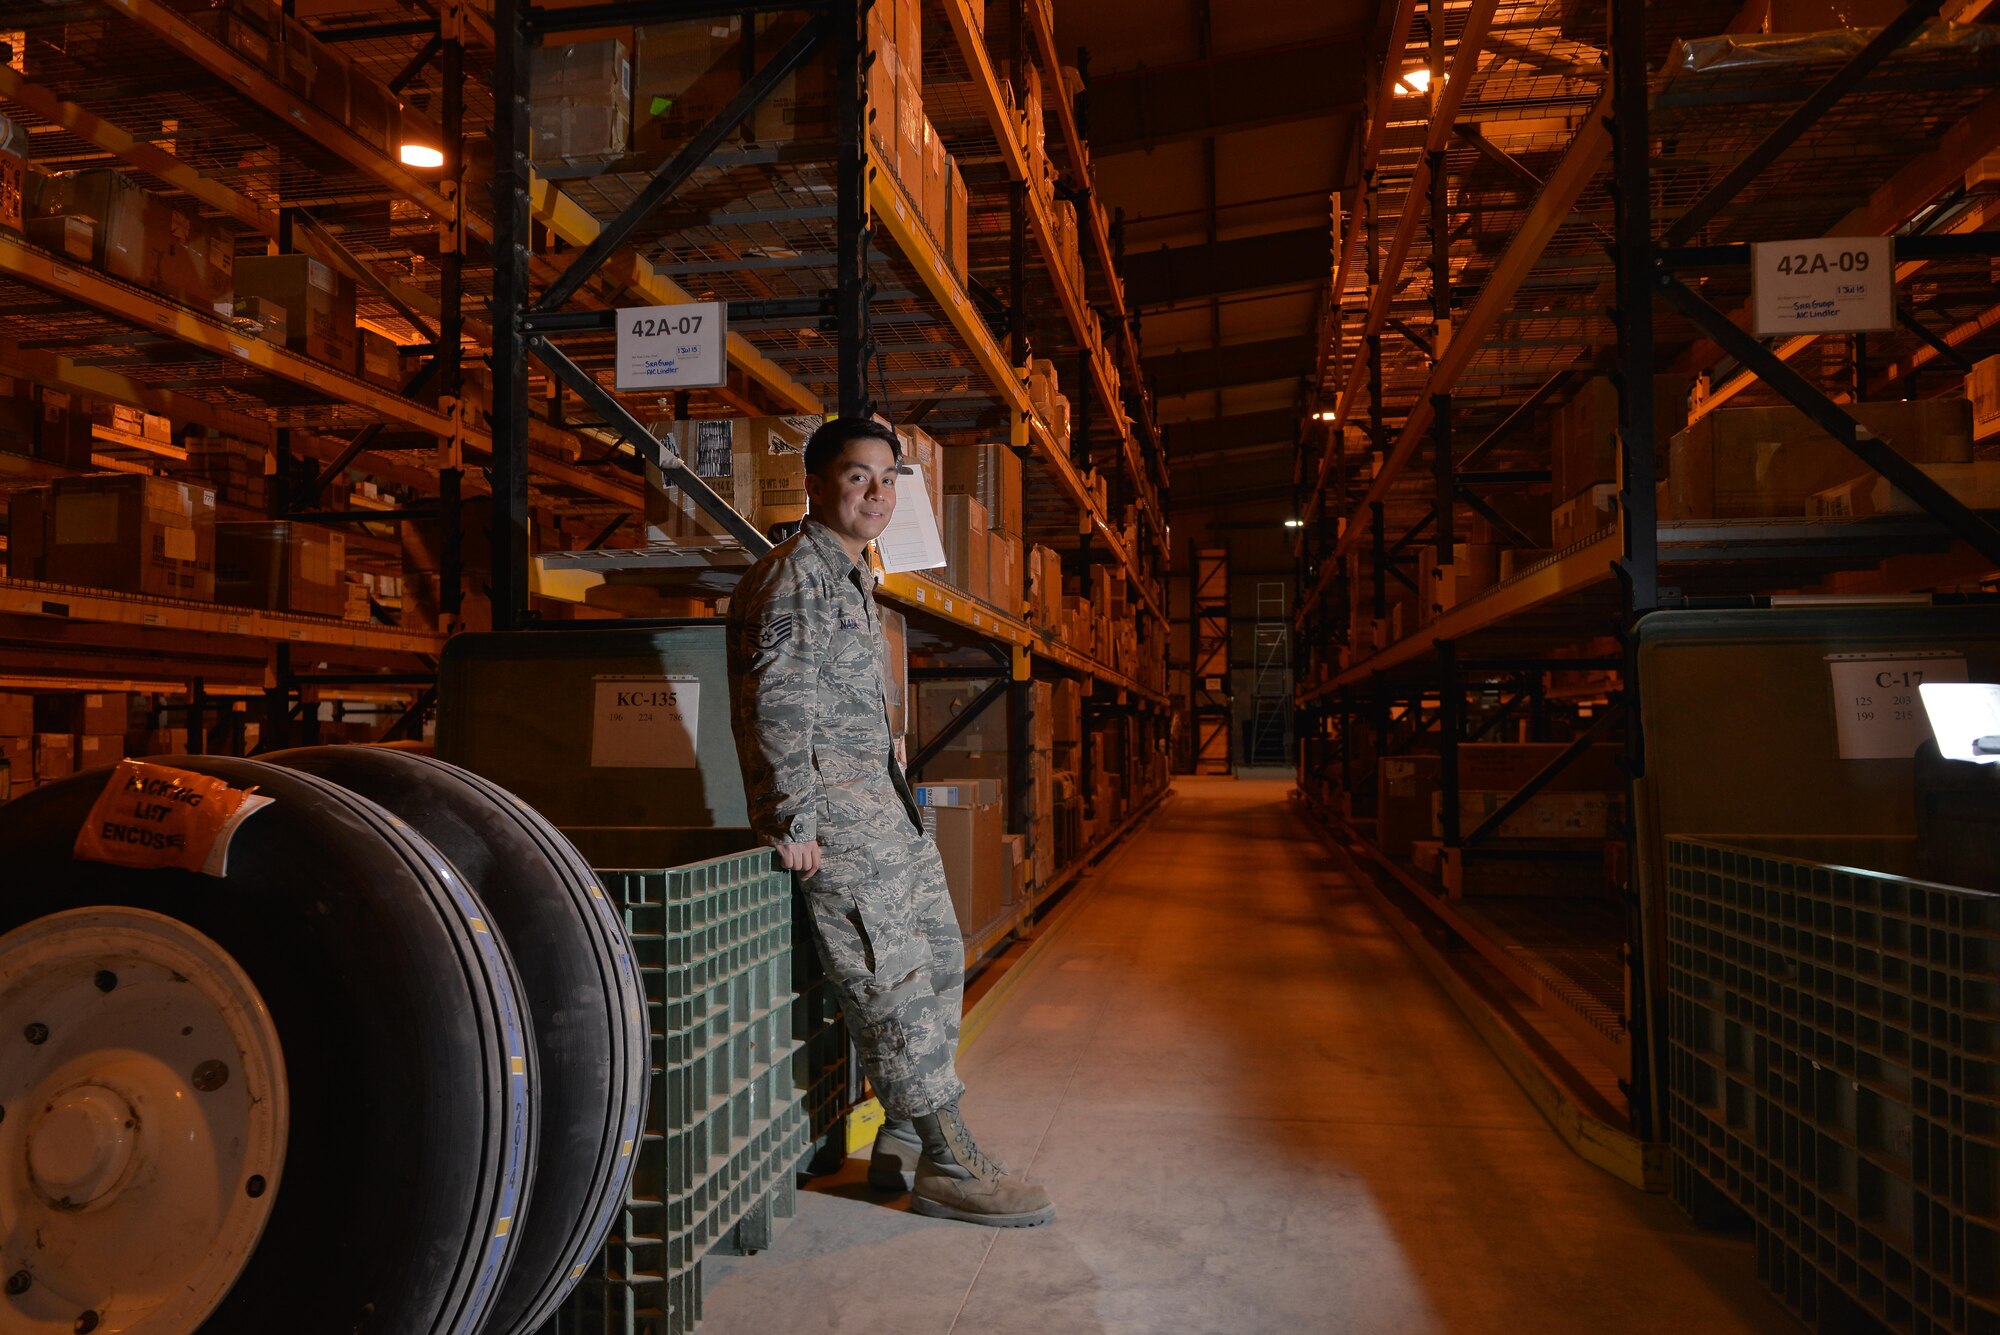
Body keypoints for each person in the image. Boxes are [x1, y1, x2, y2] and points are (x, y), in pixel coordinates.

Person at [724, 416, 1055, 1229]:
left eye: (887, 478)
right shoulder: (791, 576)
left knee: (940, 959)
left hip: (886, 814)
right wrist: (790, 816)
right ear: (814, 482)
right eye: (857, 475)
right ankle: (947, 1160)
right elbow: (775, 704)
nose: (875, 493)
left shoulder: (851, 575)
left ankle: (901, 1134)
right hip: (837, 826)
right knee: (893, 985)